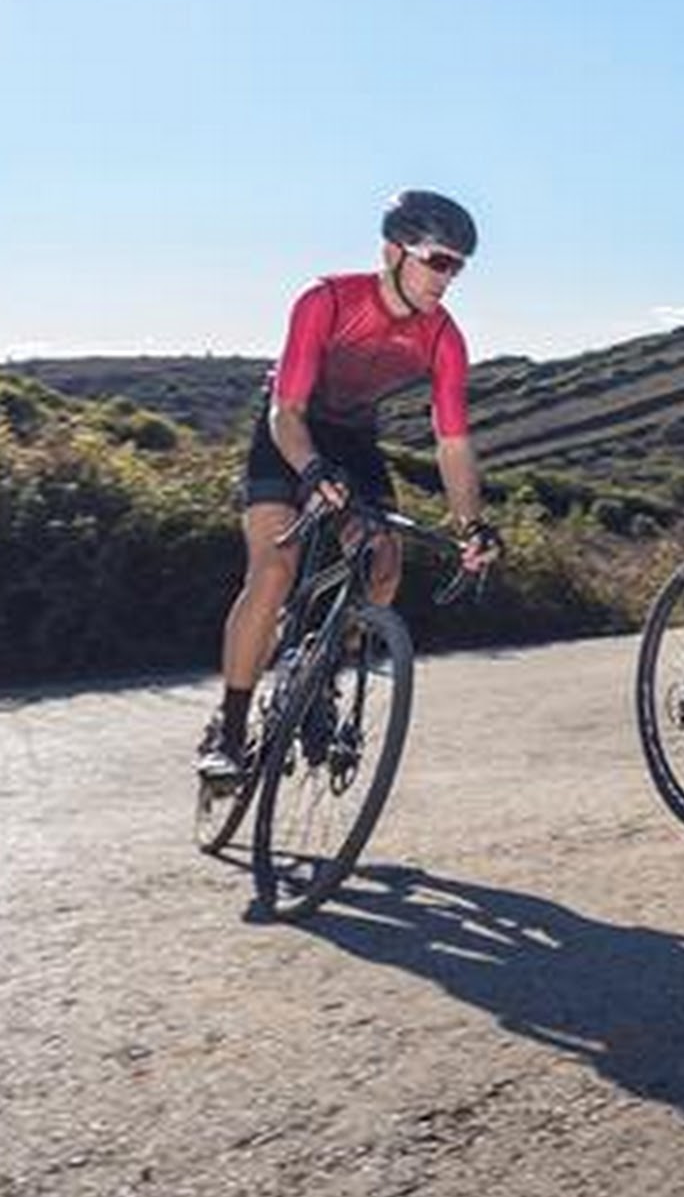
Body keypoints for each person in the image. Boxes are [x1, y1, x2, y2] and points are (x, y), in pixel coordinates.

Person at [198, 189, 501, 782]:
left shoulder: (444, 337)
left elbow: (452, 442)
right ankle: (229, 732)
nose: (447, 278)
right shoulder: (327, 300)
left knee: (382, 563)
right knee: (274, 569)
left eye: (458, 268)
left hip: (354, 439)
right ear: (393, 251)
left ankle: (319, 677)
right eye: (438, 261)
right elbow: (286, 410)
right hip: (289, 430)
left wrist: (471, 525)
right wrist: (311, 470)